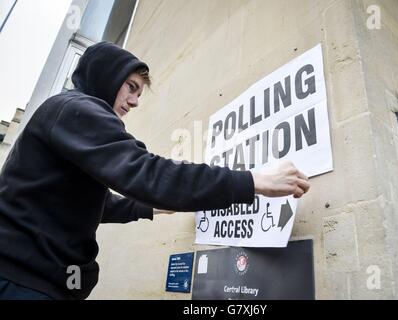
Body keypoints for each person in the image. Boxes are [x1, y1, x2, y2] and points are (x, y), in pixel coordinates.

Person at [0, 42, 310, 300]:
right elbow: (148, 173)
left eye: (139, 93)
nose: (134, 101)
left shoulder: (70, 116)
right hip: (22, 284)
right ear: (105, 77)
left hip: (40, 283)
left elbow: (95, 202)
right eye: (131, 87)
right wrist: (256, 181)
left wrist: (149, 207)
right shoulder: (75, 109)